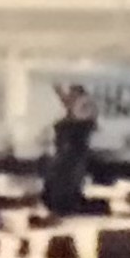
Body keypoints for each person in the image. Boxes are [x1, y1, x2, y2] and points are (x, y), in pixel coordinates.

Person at [41, 83, 100, 216]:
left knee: (67, 174)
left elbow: (71, 108)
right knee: (69, 174)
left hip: (70, 154)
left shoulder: (74, 124)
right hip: (71, 156)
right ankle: (66, 202)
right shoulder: (78, 121)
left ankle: (65, 202)